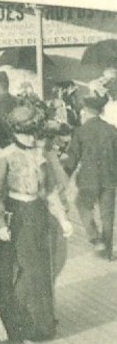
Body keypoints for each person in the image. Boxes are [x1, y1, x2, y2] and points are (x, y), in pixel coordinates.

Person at [0, 104, 70, 343]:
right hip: (13, 215)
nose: (32, 138)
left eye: (35, 133)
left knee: (37, 272)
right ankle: (11, 323)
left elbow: (49, 189)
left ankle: (38, 326)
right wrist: (0, 224)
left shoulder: (40, 155)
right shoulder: (5, 155)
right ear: (16, 132)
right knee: (3, 272)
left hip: (36, 215)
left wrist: (62, 217)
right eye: (27, 133)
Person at [62, 94, 117, 261]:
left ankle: (95, 237)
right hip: (109, 178)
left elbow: (72, 158)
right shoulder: (112, 130)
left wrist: (64, 177)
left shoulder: (80, 131)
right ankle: (107, 252)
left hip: (88, 179)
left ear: (86, 111)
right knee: (107, 215)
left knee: (82, 205)